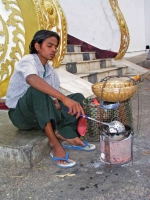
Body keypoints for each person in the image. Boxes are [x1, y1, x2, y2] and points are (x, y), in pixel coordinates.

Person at [6, 30, 96, 168]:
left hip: (41, 115)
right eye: (50, 45)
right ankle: (54, 143)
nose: (54, 49)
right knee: (37, 90)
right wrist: (63, 100)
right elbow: (32, 79)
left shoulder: (50, 71)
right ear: (37, 46)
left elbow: (54, 100)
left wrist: (60, 104)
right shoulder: (27, 60)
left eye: (55, 47)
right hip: (21, 116)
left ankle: (66, 133)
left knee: (77, 98)